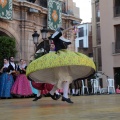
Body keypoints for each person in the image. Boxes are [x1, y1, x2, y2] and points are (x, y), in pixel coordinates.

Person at [26, 27, 96, 104]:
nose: (63, 32)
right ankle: (64, 96)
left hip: (64, 61)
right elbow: (62, 31)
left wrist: (74, 34)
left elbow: (71, 41)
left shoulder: (64, 39)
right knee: (65, 78)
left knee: (62, 79)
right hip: (58, 61)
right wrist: (71, 28)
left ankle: (53, 92)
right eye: (61, 31)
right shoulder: (56, 37)